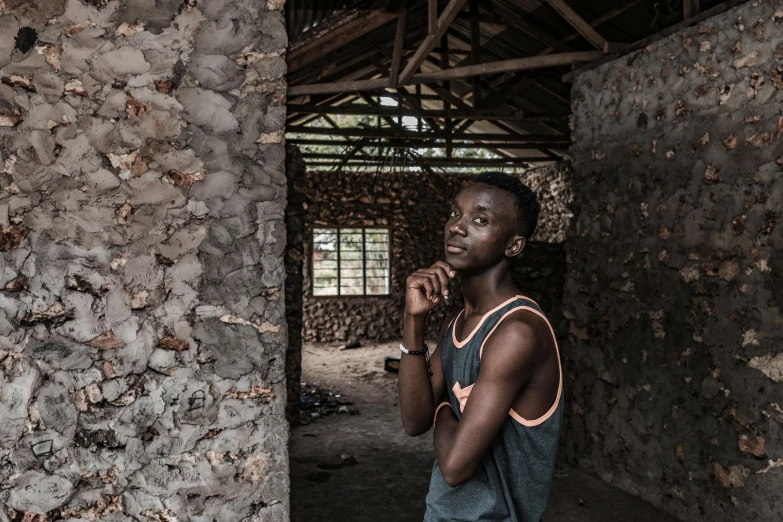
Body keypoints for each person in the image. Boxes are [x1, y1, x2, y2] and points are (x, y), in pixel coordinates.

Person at [398, 171, 563, 522]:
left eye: (480, 219)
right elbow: (414, 421)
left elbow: (456, 466)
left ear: (513, 245)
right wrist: (413, 322)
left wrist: (441, 405)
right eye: (456, 213)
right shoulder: (456, 322)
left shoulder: (516, 332)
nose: (457, 227)